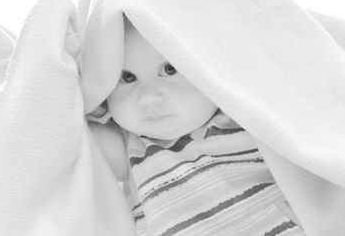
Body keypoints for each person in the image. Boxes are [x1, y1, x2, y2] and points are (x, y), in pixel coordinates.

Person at [88, 15, 305, 236]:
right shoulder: (130, 149)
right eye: (127, 77)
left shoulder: (247, 116)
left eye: (170, 69)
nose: (148, 98)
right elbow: (62, 131)